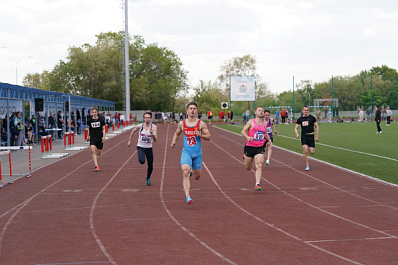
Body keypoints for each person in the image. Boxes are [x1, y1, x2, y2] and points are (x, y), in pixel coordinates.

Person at [170, 102, 211, 205]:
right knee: (185, 172)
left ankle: (193, 171)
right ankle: (188, 196)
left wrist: (201, 135)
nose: (192, 110)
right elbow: (177, 133)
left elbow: (209, 137)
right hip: (186, 152)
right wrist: (174, 141)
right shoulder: (182, 124)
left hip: (197, 154)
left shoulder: (201, 124)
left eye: (194, 108)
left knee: (197, 177)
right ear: (187, 111)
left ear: (196, 111)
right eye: (190, 108)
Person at [241, 106, 272, 191]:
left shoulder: (264, 123)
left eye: (262, 111)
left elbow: (265, 133)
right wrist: (247, 137)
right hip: (250, 147)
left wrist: (269, 140)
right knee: (248, 167)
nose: (261, 112)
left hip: (259, 147)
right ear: (255, 112)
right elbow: (243, 131)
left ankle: (257, 184)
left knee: (259, 165)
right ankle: (245, 156)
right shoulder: (251, 122)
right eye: (259, 110)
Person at [127, 111, 158, 186]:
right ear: (144, 118)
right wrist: (129, 140)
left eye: (148, 118)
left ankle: (148, 177)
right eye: (146, 118)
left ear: (151, 118)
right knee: (142, 161)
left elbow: (156, 140)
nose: (147, 119)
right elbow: (133, 131)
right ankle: (147, 177)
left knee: (150, 165)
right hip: (141, 147)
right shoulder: (140, 126)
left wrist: (152, 134)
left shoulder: (153, 127)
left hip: (149, 148)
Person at [294, 106, 319, 171]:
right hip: (304, 136)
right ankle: (307, 165)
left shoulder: (312, 118)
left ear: (308, 111)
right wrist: (297, 134)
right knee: (305, 150)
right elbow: (296, 128)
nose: (306, 111)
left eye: (307, 110)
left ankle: (307, 161)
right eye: (305, 110)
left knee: (312, 152)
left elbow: (316, 127)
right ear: (302, 111)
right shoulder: (300, 119)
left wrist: (316, 136)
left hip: (311, 136)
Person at [87, 107, 106, 172]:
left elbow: (103, 128)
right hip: (93, 137)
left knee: (99, 153)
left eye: (95, 112)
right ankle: (96, 165)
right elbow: (89, 128)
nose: (94, 113)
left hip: (99, 137)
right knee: (92, 150)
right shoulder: (89, 120)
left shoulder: (101, 120)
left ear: (97, 112)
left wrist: (103, 137)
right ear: (92, 113)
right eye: (93, 112)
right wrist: (87, 136)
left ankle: (98, 153)